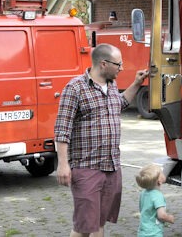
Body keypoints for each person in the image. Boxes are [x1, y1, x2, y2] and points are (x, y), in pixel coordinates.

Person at [55, 43, 149, 237]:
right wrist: (63, 165)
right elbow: (62, 129)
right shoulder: (75, 88)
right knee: (83, 226)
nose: (122, 68)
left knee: (99, 223)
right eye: (118, 64)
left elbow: (120, 103)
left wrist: (137, 83)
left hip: (112, 167)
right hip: (86, 168)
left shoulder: (112, 85)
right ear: (103, 64)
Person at [135, 164, 175, 237]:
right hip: (154, 233)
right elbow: (161, 215)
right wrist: (169, 218)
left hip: (142, 232)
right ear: (159, 181)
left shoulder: (144, 193)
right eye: (161, 172)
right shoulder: (158, 196)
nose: (164, 173)